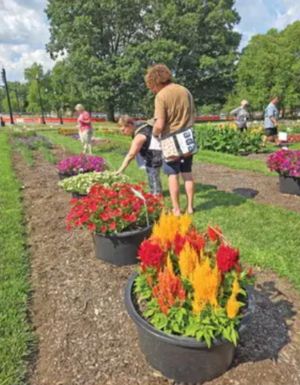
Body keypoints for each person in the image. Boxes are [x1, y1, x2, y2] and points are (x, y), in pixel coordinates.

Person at [145, 64, 195, 215]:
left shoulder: (161, 96)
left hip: (170, 139)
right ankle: (191, 207)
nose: (152, 90)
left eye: (152, 86)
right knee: (187, 172)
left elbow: (159, 124)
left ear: (156, 81)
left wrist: (153, 133)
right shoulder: (185, 90)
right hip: (187, 136)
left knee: (172, 173)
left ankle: (177, 209)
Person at [116, 115, 162, 195]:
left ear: (129, 125)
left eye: (123, 130)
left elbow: (131, 154)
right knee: (152, 174)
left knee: (153, 174)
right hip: (153, 152)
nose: (122, 133)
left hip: (154, 154)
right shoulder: (139, 125)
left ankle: (156, 194)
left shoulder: (140, 135)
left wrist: (121, 170)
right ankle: (154, 191)